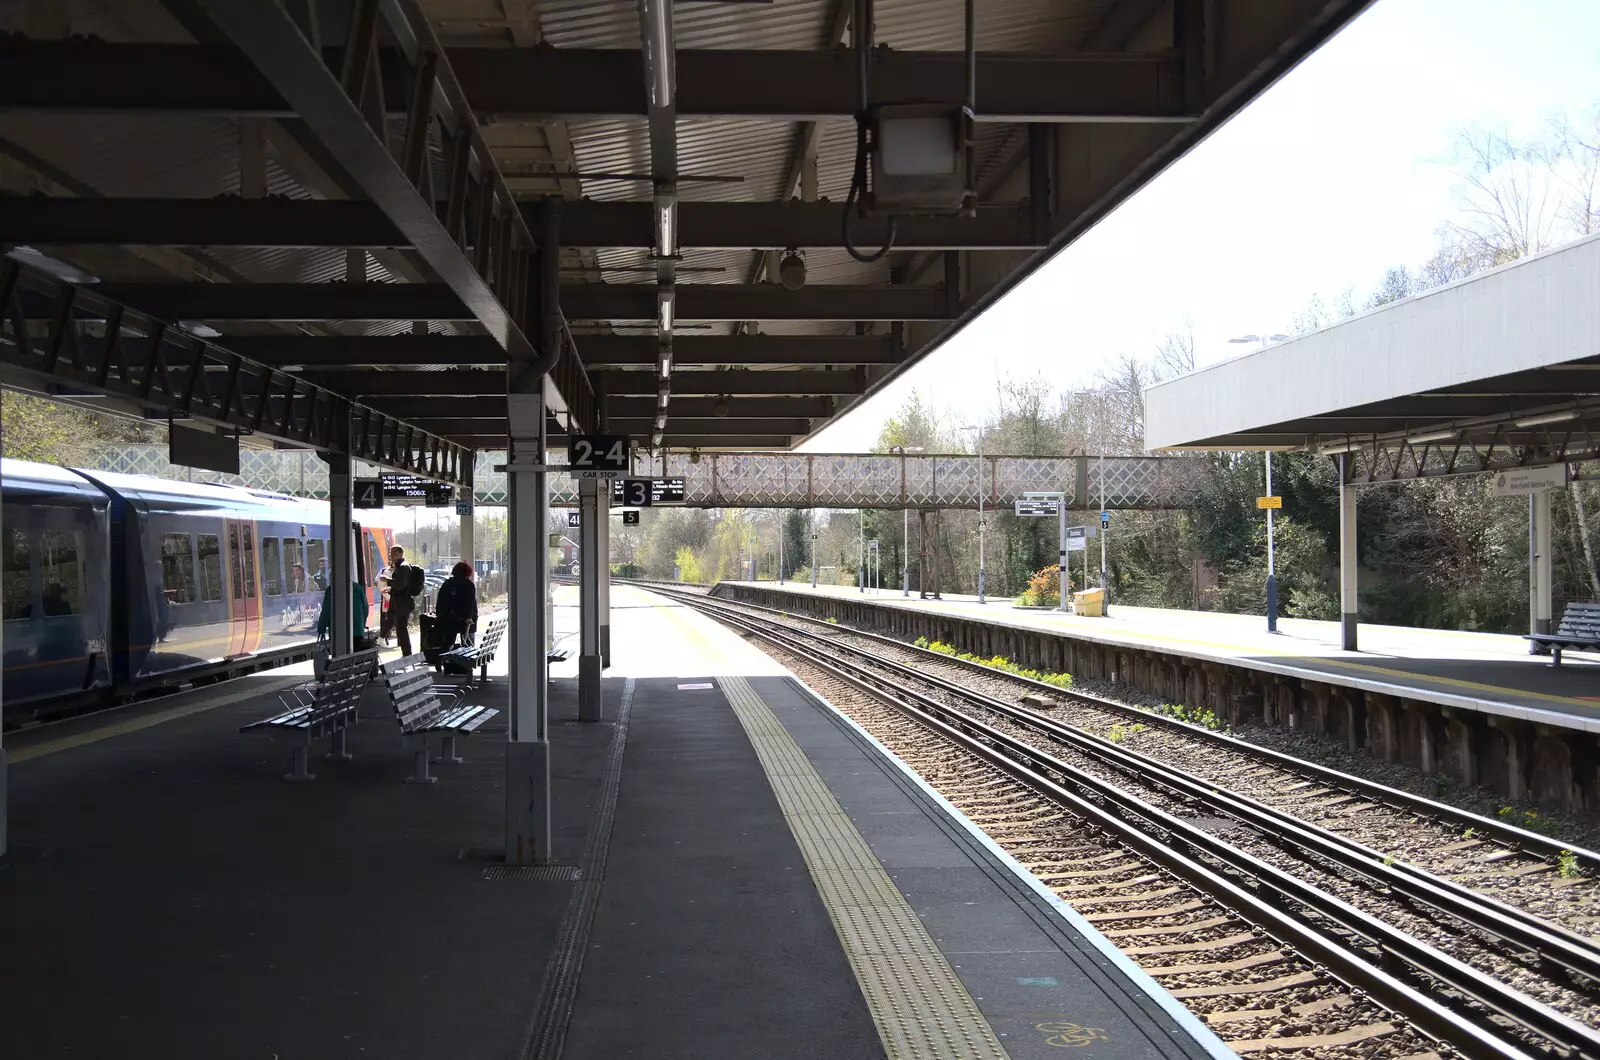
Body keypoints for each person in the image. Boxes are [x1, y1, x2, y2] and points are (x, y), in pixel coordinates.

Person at [379, 544, 418, 655]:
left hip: (402, 603)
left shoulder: (403, 567)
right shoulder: (399, 566)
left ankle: (407, 653)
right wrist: (391, 590)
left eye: (394, 553)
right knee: (391, 620)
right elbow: (401, 586)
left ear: (401, 554)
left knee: (401, 629)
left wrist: (387, 580)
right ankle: (381, 638)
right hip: (398, 602)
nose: (391, 555)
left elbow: (401, 585)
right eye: (391, 553)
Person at [433, 561, 478, 650]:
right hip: (464, 620)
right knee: (467, 645)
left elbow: (440, 601)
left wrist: (440, 614)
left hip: (448, 619)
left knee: (448, 644)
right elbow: (470, 602)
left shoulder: (447, 583)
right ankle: (465, 661)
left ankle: (444, 660)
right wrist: (469, 616)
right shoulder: (468, 585)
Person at [314, 576, 368, 647]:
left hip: (337, 632)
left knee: (340, 654)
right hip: (357, 631)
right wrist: (361, 624)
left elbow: (326, 612)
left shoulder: (331, 590)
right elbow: (365, 609)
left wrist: (322, 627)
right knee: (357, 653)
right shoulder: (359, 588)